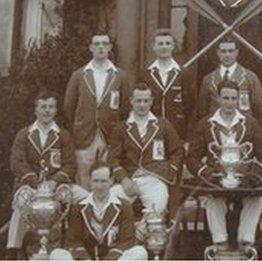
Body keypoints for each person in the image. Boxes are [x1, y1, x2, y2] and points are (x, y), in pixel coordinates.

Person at [187, 79, 262, 249]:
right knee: (213, 201)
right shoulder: (205, 124)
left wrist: (255, 173)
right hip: (217, 179)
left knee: (256, 199)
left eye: (233, 98)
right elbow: (192, 158)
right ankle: (220, 243)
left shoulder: (250, 123)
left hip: (245, 180)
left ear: (238, 99)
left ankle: (245, 242)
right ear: (218, 99)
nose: (229, 102)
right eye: (225, 98)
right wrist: (207, 174)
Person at [7, 92, 88, 253]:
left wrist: (53, 182)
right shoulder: (25, 134)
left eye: (51, 107)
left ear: (56, 110)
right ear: (36, 110)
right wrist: (36, 182)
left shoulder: (62, 135)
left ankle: (78, 245)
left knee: (86, 198)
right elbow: (17, 162)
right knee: (20, 204)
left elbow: (70, 165)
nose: (47, 111)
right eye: (43, 107)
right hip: (31, 187)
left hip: (57, 187)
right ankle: (13, 249)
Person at [64, 30, 130, 190]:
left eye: (105, 44)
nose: (101, 47)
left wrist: (116, 132)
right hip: (84, 136)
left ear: (110, 47)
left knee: (107, 179)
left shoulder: (120, 76)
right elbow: (68, 108)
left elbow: (125, 108)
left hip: (109, 136)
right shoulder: (79, 75)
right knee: (84, 180)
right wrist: (77, 128)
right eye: (97, 44)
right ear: (90, 48)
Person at [108, 83, 184, 217]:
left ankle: (142, 235)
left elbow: (177, 151)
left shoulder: (163, 124)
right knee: (109, 205)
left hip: (155, 178)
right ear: (131, 101)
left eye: (145, 101)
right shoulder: (121, 127)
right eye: (138, 101)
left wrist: (169, 171)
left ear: (151, 102)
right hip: (130, 179)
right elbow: (113, 158)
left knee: (157, 208)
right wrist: (124, 180)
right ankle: (125, 235)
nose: (142, 105)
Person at [49, 162, 148, 260]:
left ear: (111, 181)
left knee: (140, 252)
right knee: (57, 254)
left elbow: (126, 241)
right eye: (96, 181)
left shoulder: (124, 206)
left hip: (114, 259)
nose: (99, 186)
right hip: (87, 258)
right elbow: (73, 241)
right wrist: (85, 259)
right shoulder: (78, 207)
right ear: (90, 181)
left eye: (103, 181)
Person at [139, 29, 196, 140]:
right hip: (151, 131)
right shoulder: (145, 74)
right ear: (154, 47)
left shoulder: (183, 74)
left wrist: (188, 139)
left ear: (173, 46)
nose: (164, 47)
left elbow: (191, 108)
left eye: (167, 43)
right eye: (160, 44)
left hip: (178, 132)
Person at [196, 37, 262, 126]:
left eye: (231, 51)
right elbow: (202, 110)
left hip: (243, 129)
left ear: (236, 53)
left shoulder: (250, 77)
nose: (227, 55)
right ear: (218, 53)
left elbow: (260, 108)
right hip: (216, 129)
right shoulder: (208, 79)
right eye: (223, 51)